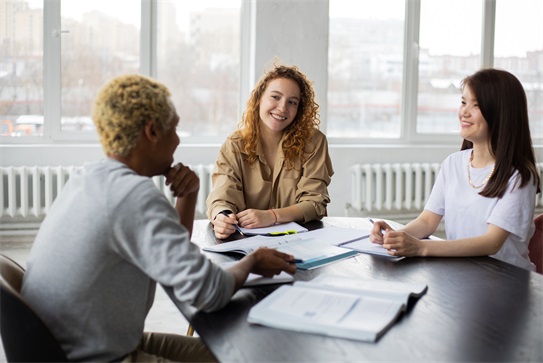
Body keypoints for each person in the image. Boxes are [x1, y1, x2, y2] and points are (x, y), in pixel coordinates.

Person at [21, 74, 297, 362]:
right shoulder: (134, 196)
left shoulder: (88, 177)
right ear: (152, 132)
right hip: (97, 357)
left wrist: (187, 196)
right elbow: (208, 292)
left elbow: (172, 257)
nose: (177, 140)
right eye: (174, 128)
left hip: (77, 344)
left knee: (232, 354)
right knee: (249, 355)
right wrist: (253, 260)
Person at [370, 68, 541, 271]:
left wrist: (421, 247)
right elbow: (426, 221)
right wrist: (396, 237)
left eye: (476, 105)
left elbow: (491, 243)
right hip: (462, 273)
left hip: (507, 280)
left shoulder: (520, 177)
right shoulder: (452, 163)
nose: (464, 112)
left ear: (501, 114)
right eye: (463, 102)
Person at [207, 64, 334, 239]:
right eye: (275, 97)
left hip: (301, 242)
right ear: (259, 98)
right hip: (246, 244)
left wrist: (272, 216)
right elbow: (222, 196)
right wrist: (221, 217)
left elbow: (315, 203)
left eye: (292, 102)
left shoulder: (314, 142)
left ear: (299, 109)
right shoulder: (235, 145)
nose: (282, 108)